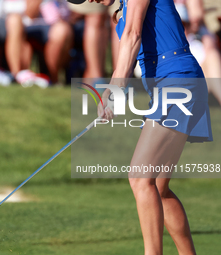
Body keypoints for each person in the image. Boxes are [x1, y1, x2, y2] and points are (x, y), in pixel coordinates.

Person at [90, 0, 213, 254]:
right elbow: (130, 43)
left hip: (178, 81)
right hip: (167, 85)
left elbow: (134, 34)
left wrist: (115, 88)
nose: (88, 0)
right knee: (157, 186)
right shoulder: (121, 9)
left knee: (139, 177)